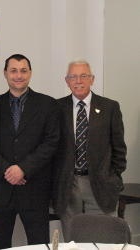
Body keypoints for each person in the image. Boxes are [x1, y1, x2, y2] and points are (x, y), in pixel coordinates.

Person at [52, 59, 127, 241]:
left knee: (102, 238)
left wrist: (112, 176)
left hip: (101, 183)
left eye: (84, 76)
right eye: (73, 76)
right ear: (67, 81)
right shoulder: (56, 108)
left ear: (92, 79)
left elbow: (119, 149)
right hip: (68, 185)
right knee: (71, 240)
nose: (79, 81)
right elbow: (51, 147)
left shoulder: (110, 107)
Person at [0, 54, 60, 248]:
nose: (18, 75)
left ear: (30, 73)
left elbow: (51, 142)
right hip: (1, 189)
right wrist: (8, 170)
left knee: (39, 244)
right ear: (5, 74)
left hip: (35, 189)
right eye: (13, 70)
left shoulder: (48, 105)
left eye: (23, 70)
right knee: (0, 243)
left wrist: (23, 168)